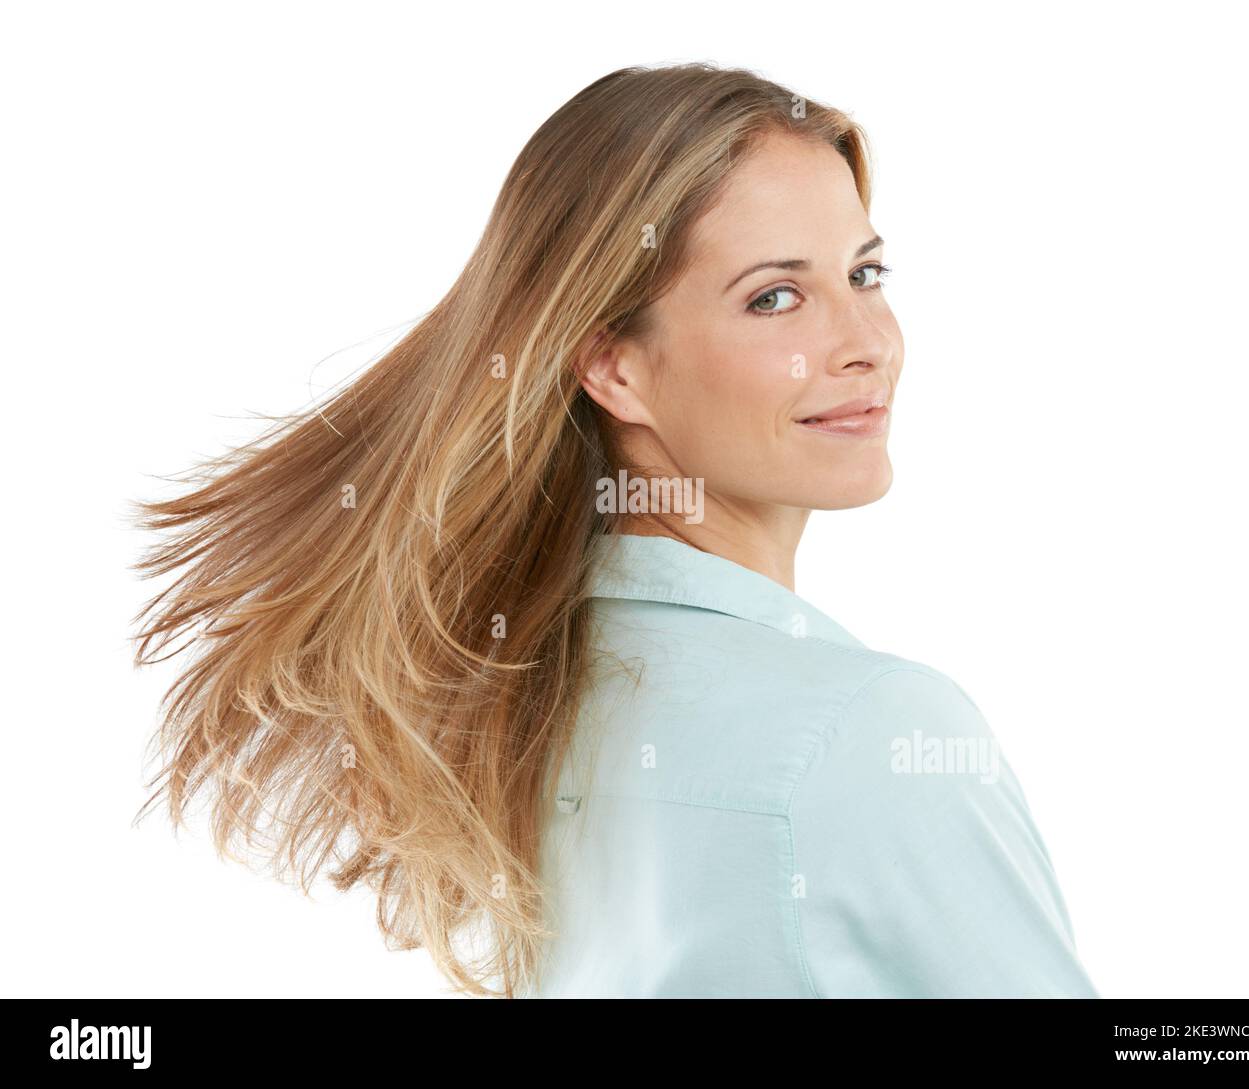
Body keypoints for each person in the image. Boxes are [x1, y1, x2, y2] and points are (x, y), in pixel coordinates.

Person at [132, 61, 1097, 998]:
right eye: (775, 296)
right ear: (616, 370)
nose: (867, 343)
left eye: (866, 271)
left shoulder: (524, 708)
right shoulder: (874, 730)